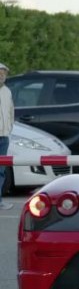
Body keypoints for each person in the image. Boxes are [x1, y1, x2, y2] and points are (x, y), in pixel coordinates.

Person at [0, 62, 13, 210]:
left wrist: (9, 128)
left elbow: (10, 111)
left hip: (4, 136)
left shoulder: (7, 92)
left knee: (1, 170)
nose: (2, 75)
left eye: (3, 73)